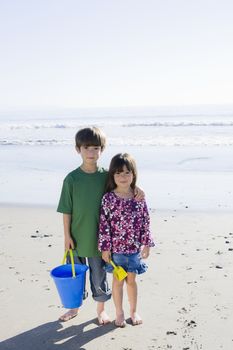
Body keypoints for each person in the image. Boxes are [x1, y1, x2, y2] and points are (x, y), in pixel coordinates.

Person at [57, 127, 144, 323]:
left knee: (99, 276)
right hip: (77, 237)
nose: (91, 153)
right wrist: (66, 236)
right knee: (75, 276)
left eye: (96, 148)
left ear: (102, 150)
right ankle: (74, 308)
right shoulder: (71, 179)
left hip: (100, 240)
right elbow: (66, 210)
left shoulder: (107, 175)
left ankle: (100, 309)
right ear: (78, 149)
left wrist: (138, 188)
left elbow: (124, 185)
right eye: (86, 148)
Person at [98, 153, 154, 327]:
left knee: (132, 280)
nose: (122, 177)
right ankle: (119, 312)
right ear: (112, 175)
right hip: (116, 251)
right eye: (118, 173)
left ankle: (133, 310)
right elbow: (103, 224)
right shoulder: (108, 198)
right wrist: (105, 248)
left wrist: (147, 244)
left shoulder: (139, 198)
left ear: (134, 175)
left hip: (134, 249)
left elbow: (146, 221)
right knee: (118, 280)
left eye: (127, 173)